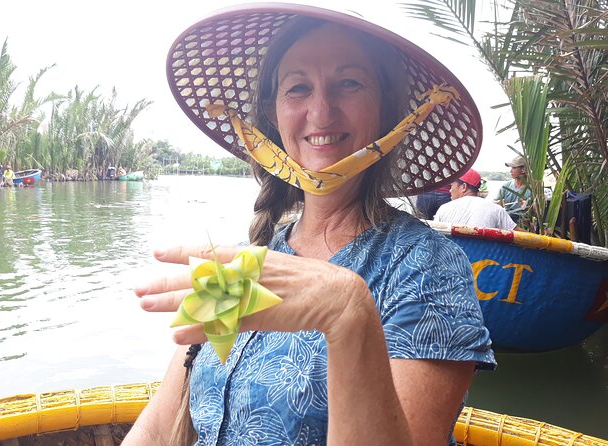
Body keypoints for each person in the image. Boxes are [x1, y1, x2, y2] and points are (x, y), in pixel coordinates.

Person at [124, 4, 495, 445]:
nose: (321, 112)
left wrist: (348, 312)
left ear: (389, 111)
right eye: (298, 88)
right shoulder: (243, 263)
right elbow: (157, 426)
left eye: (349, 83)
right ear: (272, 116)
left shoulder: (427, 269)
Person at [434, 169, 517, 230]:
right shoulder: (497, 209)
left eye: (451, 186)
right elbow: (520, 234)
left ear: (463, 187)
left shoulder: (444, 208)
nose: (450, 190)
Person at [495, 155, 531, 224]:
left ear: (523, 170)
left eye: (514, 168)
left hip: (523, 222)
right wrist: (497, 203)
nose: (511, 171)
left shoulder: (532, 188)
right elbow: (495, 202)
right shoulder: (506, 186)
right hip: (507, 219)